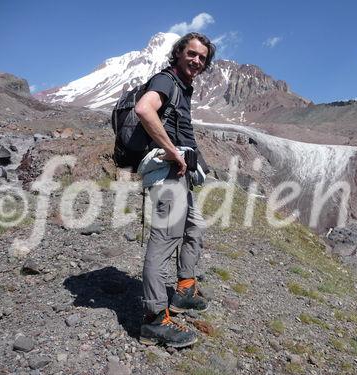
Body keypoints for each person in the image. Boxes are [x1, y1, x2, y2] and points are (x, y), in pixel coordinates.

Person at [134, 33, 215, 348]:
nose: (196, 60)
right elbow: (144, 109)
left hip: (179, 175)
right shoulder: (167, 81)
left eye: (202, 58)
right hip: (167, 175)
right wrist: (173, 151)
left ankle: (183, 289)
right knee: (164, 242)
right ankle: (153, 320)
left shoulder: (183, 87)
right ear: (179, 53)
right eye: (192, 54)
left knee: (194, 228)